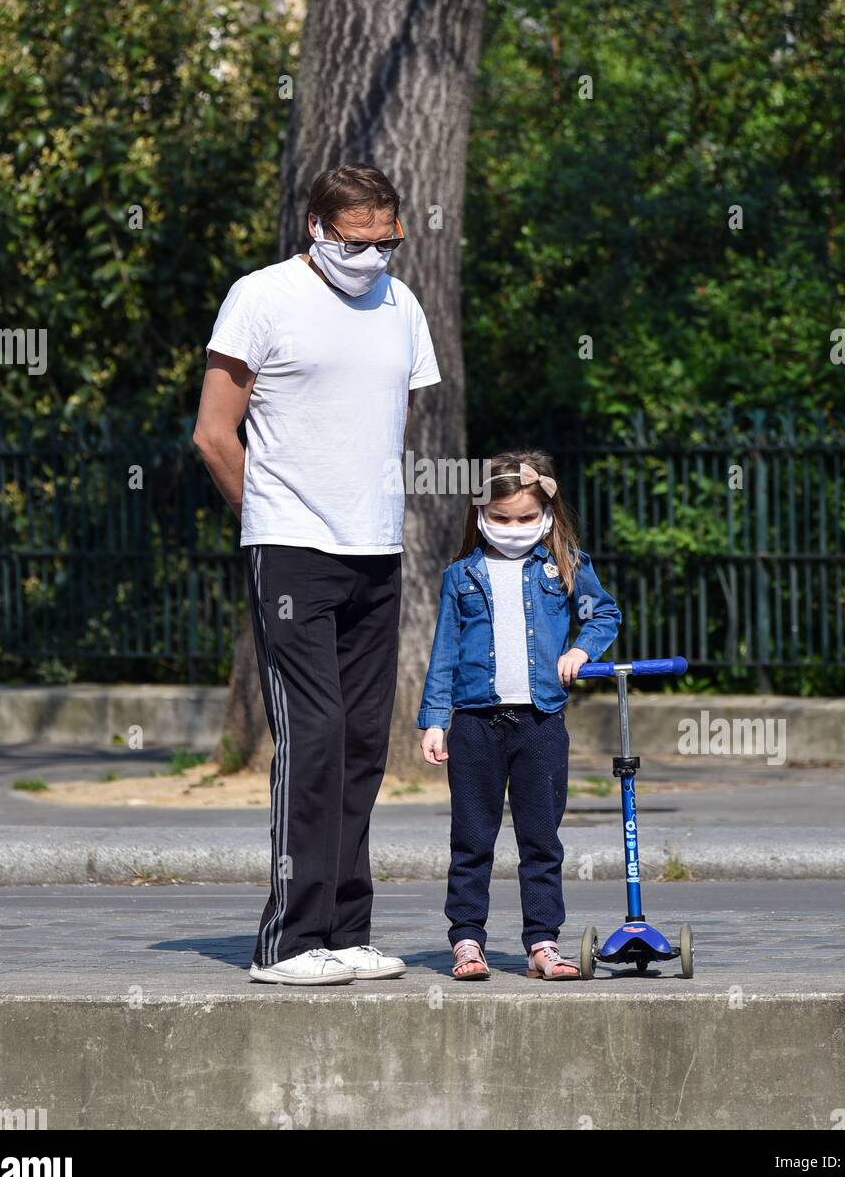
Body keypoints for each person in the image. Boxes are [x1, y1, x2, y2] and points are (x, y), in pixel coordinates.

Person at [194, 164, 441, 985]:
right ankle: (289, 943)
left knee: (367, 740)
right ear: (315, 227)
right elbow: (212, 434)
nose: (371, 255)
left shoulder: (401, 305)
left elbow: (393, 421)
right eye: (354, 241)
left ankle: (346, 931)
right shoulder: (261, 296)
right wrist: (264, 519)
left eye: (386, 241)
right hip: (290, 546)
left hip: (374, 546)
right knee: (316, 735)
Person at [417, 450, 621, 981]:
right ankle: (466, 940)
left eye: (527, 518)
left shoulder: (565, 563)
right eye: (502, 519)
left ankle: (543, 943)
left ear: (547, 514)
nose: (514, 528)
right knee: (472, 838)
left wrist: (581, 651)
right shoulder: (461, 575)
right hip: (474, 726)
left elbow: (603, 613)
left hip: (541, 724)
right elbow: (444, 650)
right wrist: (435, 718)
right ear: (481, 515)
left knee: (541, 841)